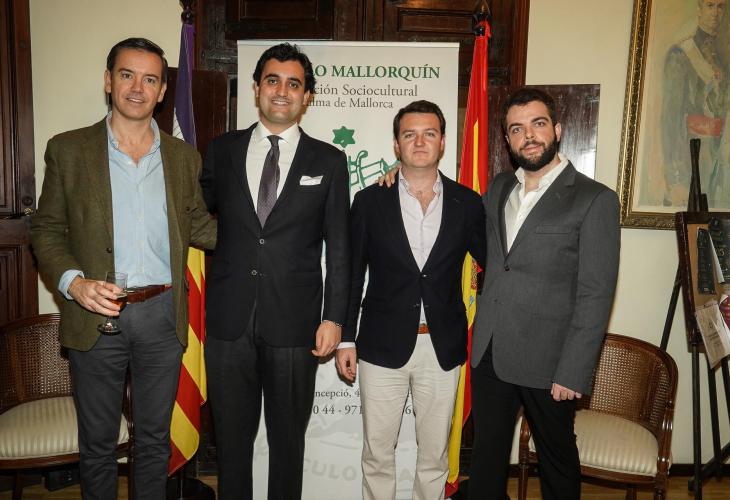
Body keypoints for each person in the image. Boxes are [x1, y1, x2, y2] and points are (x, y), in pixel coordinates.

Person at [30, 38, 216, 500]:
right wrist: (74, 283)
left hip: (162, 316)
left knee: (154, 442)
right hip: (95, 316)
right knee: (97, 446)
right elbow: (46, 230)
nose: (137, 88)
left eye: (150, 79)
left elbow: (201, 228)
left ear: (163, 90)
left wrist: (275, 226)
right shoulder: (68, 150)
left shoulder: (183, 158)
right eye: (127, 75)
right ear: (108, 80)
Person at [200, 43, 350, 500]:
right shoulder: (221, 151)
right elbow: (195, 217)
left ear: (307, 96)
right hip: (228, 322)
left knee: (288, 443)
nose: (282, 91)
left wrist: (334, 317)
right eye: (272, 80)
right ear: (256, 88)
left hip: (295, 323)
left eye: (293, 83)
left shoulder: (329, 160)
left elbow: (340, 247)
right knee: (231, 444)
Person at [468, 87, 620, 500]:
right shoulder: (499, 188)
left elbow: (596, 294)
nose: (528, 136)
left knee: (556, 464)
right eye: (517, 129)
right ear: (507, 139)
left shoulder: (594, 199)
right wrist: (403, 177)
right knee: (485, 462)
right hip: (490, 352)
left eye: (538, 124)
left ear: (557, 129)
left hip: (550, 363)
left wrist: (573, 370)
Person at [336, 100, 486, 500]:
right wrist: (346, 337)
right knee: (377, 454)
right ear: (396, 144)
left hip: (442, 346)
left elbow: (494, 264)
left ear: (443, 142)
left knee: (434, 457)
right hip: (380, 346)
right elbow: (352, 274)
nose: (420, 142)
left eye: (429, 133)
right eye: (410, 134)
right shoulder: (369, 201)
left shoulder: (468, 203)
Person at [662, 0, 729, 207]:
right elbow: (671, 119)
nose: (715, 12)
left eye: (720, 6)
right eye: (710, 5)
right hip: (691, 159)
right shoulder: (681, 54)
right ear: (699, 9)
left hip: (721, 159)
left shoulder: (724, 57)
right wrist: (676, 177)